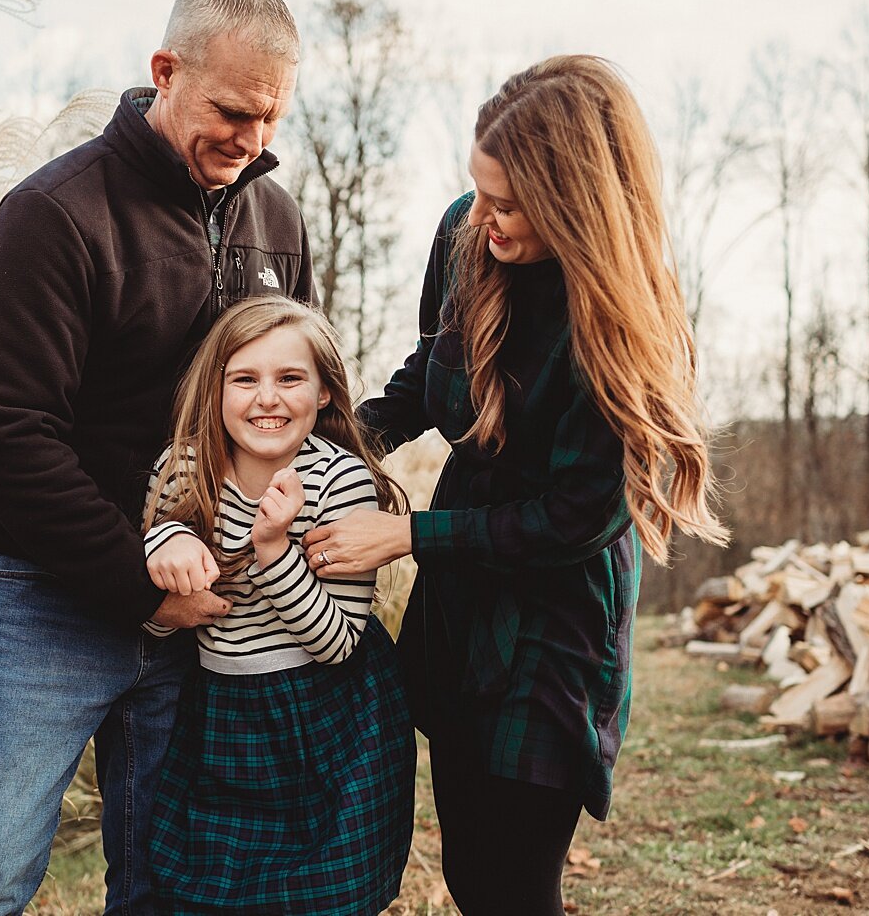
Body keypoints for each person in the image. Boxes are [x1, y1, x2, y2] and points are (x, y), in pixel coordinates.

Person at [301, 55, 730, 915]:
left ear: (576, 201)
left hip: (557, 619)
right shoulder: (466, 231)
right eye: (479, 191)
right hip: (465, 605)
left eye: (508, 203)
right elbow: (436, 364)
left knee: (514, 881)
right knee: (469, 872)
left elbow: (577, 518)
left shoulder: (625, 321)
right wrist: (343, 438)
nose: (484, 218)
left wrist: (410, 535)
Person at [0, 0, 313, 916]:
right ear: (165, 71)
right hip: (36, 598)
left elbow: (290, 407)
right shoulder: (55, 212)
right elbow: (5, 435)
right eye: (230, 111)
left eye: (269, 119)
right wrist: (141, 582)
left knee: (167, 889)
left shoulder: (277, 223)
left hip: (199, 609)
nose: (250, 141)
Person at [138, 296, 415, 916]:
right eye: (245, 379)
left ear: (322, 393)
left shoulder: (341, 481)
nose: (268, 398)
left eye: (290, 378)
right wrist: (170, 540)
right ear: (215, 392)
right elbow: (155, 566)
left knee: (323, 894)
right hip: (223, 714)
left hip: (330, 715)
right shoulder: (185, 469)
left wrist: (272, 549)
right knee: (208, 887)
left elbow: (338, 641)